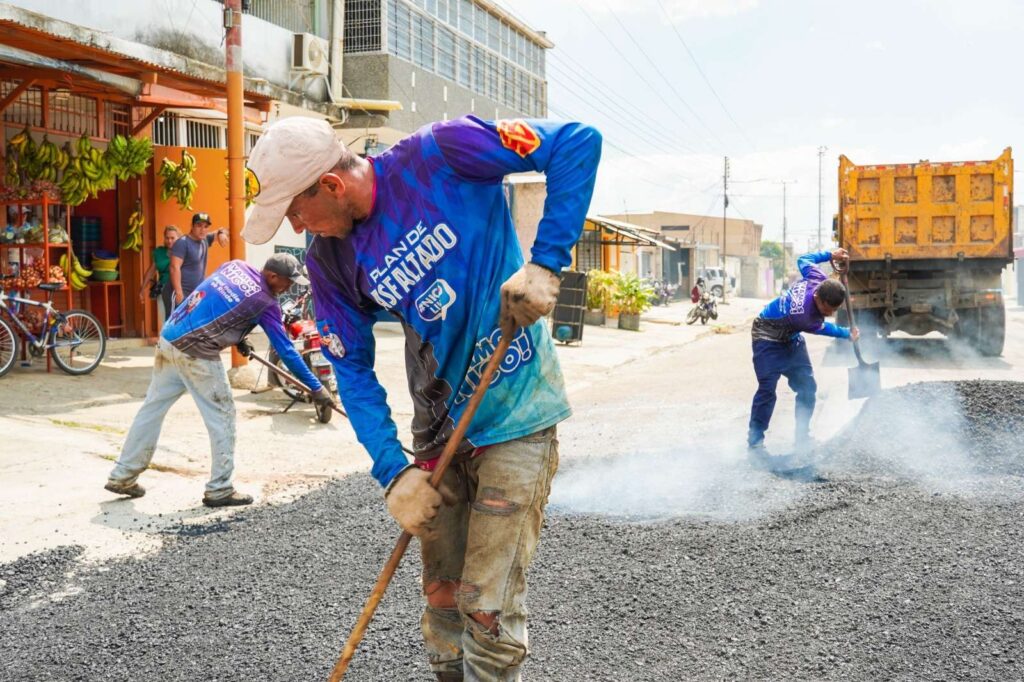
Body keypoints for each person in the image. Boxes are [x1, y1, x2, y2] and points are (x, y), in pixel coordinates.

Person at [242, 115, 601, 680]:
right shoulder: (329, 261)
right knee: (443, 600)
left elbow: (576, 143)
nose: (295, 225)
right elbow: (352, 370)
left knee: (485, 607)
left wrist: (546, 262)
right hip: (437, 431)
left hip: (516, 408)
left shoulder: (444, 152)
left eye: (294, 211)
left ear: (330, 185)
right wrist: (394, 472)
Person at [104, 253, 334, 507]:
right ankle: (220, 489)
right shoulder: (266, 303)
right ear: (272, 276)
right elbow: (287, 351)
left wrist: (239, 336)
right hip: (196, 352)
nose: (288, 287)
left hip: (170, 337)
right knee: (223, 416)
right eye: (287, 282)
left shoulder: (235, 266)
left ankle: (122, 475)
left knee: (152, 409)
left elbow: (218, 300)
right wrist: (316, 387)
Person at [747, 248, 859, 460]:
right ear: (818, 298)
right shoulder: (805, 317)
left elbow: (804, 259)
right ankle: (755, 443)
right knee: (767, 389)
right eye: (828, 309)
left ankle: (802, 437)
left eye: (835, 310)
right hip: (766, 337)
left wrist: (830, 255)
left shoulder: (818, 278)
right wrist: (847, 333)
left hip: (790, 338)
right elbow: (826, 329)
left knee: (808, 388)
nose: (831, 313)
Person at [169, 212, 229, 308]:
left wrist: (221, 233)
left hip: (196, 295)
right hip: (181, 294)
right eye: (199, 225)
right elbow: (174, 267)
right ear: (192, 226)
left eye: (206, 227)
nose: (202, 230)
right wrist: (179, 292)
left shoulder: (205, 240)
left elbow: (224, 230)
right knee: (174, 318)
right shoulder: (183, 243)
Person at [139, 225, 180, 322]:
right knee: (165, 320)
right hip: (164, 289)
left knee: (179, 319)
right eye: (167, 238)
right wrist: (142, 289)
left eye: (172, 238)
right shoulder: (159, 252)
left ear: (178, 238)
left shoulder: (183, 252)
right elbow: (151, 271)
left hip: (179, 289)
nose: (169, 241)